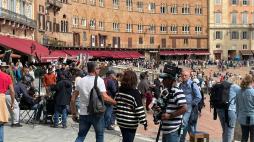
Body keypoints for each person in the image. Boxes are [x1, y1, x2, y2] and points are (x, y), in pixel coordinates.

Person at [71, 62, 116, 142]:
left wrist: (74, 113)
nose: (99, 70)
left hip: (83, 113)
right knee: (99, 136)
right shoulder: (99, 80)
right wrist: (116, 102)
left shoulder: (81, 81)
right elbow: (104, 97)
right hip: (96, 113)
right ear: (95, 70)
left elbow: (73, 99)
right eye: (98, 68)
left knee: (81, 136)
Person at [114, 70, 147, 142]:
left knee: (125, 138)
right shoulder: (135, 93)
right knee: (128, 139)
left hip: (120, 120)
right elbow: (139, 110)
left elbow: (115, 105)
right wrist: (144, 122)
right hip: (130, 123)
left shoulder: (119, 90)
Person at [158, 63, 187, 142]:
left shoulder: (177, 92)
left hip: (173, 130)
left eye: (165, 79)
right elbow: (161, 106)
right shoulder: (165, 91)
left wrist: (170, 116)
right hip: (165, 129)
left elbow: (184, 108)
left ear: (171, 80)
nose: (163, 81)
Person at [180, 70, 202, 142]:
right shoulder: (181, 85)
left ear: (189, 76)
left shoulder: (193, 84)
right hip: (182, 107)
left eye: (185, 75)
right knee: (187, 125)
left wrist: (192, 104)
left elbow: (199, 96)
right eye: (182, 75)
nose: (184, 77)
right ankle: (183, 139)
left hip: (189, 107)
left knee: (184, 123)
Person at [236, 75, 254, 142]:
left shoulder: (238, 92)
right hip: (252, 117)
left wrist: (238, 116)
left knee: (244, 137)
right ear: (251, 81)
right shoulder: (252, 92)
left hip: (242, 117)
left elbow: (237, 106)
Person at [0, 62, 15, 142]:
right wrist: (12, 103)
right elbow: (12, 91)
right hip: (1, 98)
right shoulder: (7, 76)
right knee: (0, 122)